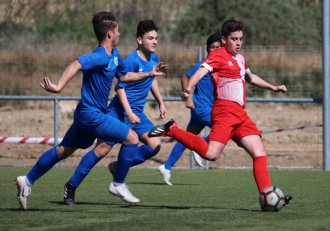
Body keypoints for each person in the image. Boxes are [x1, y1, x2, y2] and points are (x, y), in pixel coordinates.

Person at [15, 12, 166, 210]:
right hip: (92, 114)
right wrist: (59, 86)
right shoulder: (100, 55)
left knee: (63, 150)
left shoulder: (114, 56)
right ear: (110, 34)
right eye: (118, 31)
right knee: (131, 138)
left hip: (86, 115)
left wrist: (148, 73)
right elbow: (77, 64)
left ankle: (27, 180)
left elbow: (124, 77)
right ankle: (118, 183)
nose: (120, 34)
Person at [148, 20, 292, 211]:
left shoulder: (240, 58)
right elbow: (200, 71)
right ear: (224, 40)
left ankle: (266, 194)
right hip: (224, 110)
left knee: (259, 154)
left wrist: (273, 87)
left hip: (240, 114)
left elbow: (250, 77)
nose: (238, 43)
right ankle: (172, 130)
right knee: (210, 154)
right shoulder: (217, 55)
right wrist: (188, 89)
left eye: (240, 39)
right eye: (234, 39)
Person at [63, 19, 167, 205]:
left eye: (156, 38)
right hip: (119, 112)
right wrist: (128, 113)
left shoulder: (153, 58)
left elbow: (152, 80)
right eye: (150, 38)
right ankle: (71, 186)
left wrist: (161, 102)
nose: (154, 41)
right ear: (139, 40)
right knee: (102, 150)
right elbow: (120, 88)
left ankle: (118, 168)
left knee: (155, 145)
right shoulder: (131, 60)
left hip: (137, 113)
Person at [158, 33, 221, 186]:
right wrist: (188, 97)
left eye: (218, 47)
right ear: (207, 49)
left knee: (186, 138)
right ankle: (200, 147)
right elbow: (185, 78)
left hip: (202, 110)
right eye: (212, 47)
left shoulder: (221, 66)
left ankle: (166, 167)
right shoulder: (203, 64)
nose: (215, 50)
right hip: (201, 108)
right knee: (222, 130)